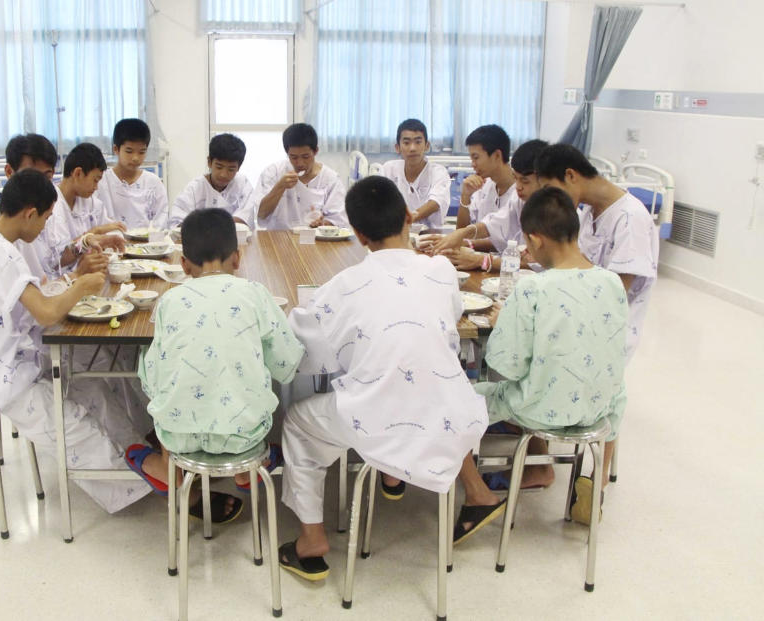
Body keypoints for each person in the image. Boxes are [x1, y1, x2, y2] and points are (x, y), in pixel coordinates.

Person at [277, 176, 486, 581]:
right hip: (447, 411)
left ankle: (312, 539)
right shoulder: (441, 270)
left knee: (299, 423)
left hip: (377, 420)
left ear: (357, 234)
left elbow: (309, 356)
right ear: (409, 216)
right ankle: (393, 475)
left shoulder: (343, 286)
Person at [0, 169, 150, 513]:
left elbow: (36, 300)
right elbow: (45, 313)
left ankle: (144, 454)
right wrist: (80, 286)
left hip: (7, 359)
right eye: (45, 219)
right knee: (73, 423)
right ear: (30, 213)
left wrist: (71, 283)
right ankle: (143, 485)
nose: (46, 227)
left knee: (93, 387)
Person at [452, 187, 628, 542]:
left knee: (449, 402)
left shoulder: (533, 289)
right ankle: (596, 484)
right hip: (599, 409)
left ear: (535, 239)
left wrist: (506, 324)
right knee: (612, 388)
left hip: (544, 409)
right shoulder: (612, 282)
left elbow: (508, 366)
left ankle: (478, 495)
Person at [127, 208, 305, 522]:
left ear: (183, 264)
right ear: (237, 258)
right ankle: (250, 467)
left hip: (178, 437)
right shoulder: (255, 294)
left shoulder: (169, 300)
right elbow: (286, 364)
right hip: (244, 436)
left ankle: (169, 467)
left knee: (156, 366)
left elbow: (152, 380)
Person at [535, 143, 658, 361]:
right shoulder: (588, 213)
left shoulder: (630, 218)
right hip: (579, 324)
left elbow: (615, 291)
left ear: (571, 175)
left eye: (552, 190)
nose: (553, 200)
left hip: (605, 336)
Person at [423, 139, 549, 271]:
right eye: (516, 179)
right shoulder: (514, 197)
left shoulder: (555, 211)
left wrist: (481, 259)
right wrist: (460, 236)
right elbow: (493, 224)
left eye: (525, 181)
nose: (518, 187)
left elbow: (541, 266)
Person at [0, 133, 58, 279]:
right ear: (9, 172)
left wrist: (82, 246)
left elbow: (52, 260)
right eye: (32, 176)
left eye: (47, 177)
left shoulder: (45, 211)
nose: (41, 185)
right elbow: (26, 295)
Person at [38, 143, 126, 283]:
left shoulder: (90, 202)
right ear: (78, 173)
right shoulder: (50, 207)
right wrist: (93, 234)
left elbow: (107, 229)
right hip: (62, 281)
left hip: (88, 275)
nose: (96, 187)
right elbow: (56, 260)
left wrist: (103, 239)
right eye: (95, 180)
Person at [254, 123, 348, 230]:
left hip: (315, 239)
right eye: (293, 157)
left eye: (305, 156)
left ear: (316, 151)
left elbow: (338, 220)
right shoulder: (273, 172)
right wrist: (280, 186)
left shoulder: (330, 179)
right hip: (278, 238)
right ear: (287, 153)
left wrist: (323, 223)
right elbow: (261, 214)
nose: (300, 163)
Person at [168, 133, 254, 230]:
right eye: (219, 167)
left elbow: (245, 219)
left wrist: (205, 223)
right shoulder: (194, 188)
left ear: (239, 167)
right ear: (209, 162)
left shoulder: (243, 184)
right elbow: (177, 223)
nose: (223, 174)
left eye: (231, 169)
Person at [96, 118, 169, 231]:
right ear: (116, 149)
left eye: (142, 152)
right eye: (129, 151)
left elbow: (161, 221)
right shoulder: (101, 181)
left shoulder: (154, 183)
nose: (135, 158)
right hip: (111, 245)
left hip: (147, 245)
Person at [378, 118, 450, 229]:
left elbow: (435, 203)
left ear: (427, 145)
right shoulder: (388, 169)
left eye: (418, 142)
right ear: (397, 148)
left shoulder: (438, 172)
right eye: (406, 143)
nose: (412, 148)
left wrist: (409, 218)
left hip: (430, 235)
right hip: (395, 233)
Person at [456, 125, 518, 237]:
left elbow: (503, 242)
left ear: (497, 155)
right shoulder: (484, 186)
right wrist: (465, 196)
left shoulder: (520, 192)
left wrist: (465, 243)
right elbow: (461, 231)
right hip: (477, 252)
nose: (473, 164)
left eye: (476, 157)